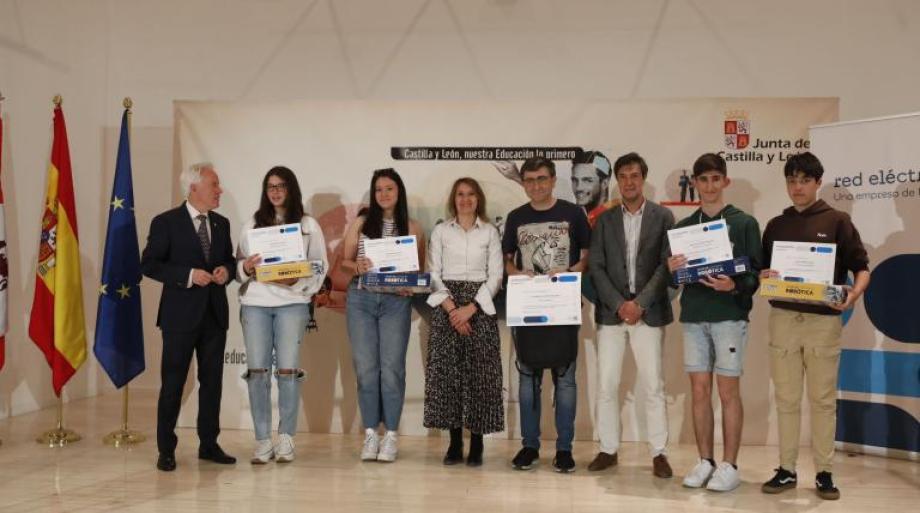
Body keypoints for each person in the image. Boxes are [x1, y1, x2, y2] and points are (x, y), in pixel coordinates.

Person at [759, 152, 870, 500]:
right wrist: (764, 276)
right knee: (787, 399)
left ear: (817, 182)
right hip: (784, 319)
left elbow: (862, 268)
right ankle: (787, 469)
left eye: (804, 180)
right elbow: (764, 272)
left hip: (823, 323)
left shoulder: (838, 221)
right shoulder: (776, 225)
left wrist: (852, 296)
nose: (797, 187)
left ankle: (824, 472)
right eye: (791, 181)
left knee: (822, 401)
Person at [667, 153, 761, 492]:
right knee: (699, 391)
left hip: (729, 318)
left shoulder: (743, 223)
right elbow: (673, 281)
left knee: (728, 391)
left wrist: (733, 284)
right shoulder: (681, 229)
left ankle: (729, 465)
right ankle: (705, 460)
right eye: (702, 180)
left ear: (725, 181)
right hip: (693, 317)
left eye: (714, 179)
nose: (708, 186)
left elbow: (755, 274)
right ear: (694, 183)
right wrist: (672, 271)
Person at [141, 162, 237, 472]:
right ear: (194, 188)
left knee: (212, 384)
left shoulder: (221, 223)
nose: (219, 190)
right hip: (179, 318)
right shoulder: (166, 222)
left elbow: (229, 261)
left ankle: (209, 444)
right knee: (173, 384)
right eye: (214, 185)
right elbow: (150, 264)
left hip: (213, 316)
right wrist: (188, 275)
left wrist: (227, 272)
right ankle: (166, 449)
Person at [588, 152, 675, 478]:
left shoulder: (663, 217)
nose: (628, 182)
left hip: (648, 313)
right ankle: (608, 449)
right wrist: (619, 304)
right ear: (617, 181)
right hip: (611, 316)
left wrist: (639, 304)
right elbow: (595, 265)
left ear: (643, 179)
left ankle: (659, 453)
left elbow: (666, 265)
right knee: (607, 385)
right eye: (623, 176)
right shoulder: (604, 220)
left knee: (653, 386)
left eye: (634, 176)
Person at [236, 166, 329, 464]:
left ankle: (286, 438)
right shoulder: (252, 222)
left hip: (292, 303)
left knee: (288, 372)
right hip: (256, 304)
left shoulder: (308, 224)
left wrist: (297, 282)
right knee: (257, 374)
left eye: (281, 186)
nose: (275, 192)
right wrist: (248, 268)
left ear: (291, 189)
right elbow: (239, 267)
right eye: (270, 186)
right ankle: (262, 440)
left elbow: (319, 265)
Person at [503, 157, 591, 473]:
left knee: (565, 380)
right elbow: (507, 262)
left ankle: (564, 449)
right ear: (523, 182)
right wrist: (518, 273)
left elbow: (586, 257)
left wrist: (567, 272)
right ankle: (529, 446)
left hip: (562, 305)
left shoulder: (572, 213)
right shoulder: (515, 217)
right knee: (528, 380)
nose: (536, 185)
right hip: (528, 308)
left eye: (542, 178)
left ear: (553, 179)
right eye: (529, 180)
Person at [342, 168, 425, 462]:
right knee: (366, 370)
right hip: (361, 300)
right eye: (378, 189)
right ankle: (369, 435)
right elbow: (344, 262)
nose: (384, 194)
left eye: (389, 188)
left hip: (395, 304)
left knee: (392, 370)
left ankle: (390, 435)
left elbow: (418, 273)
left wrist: (409, 285)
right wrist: (358, 266)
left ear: (398, 191)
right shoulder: (363, 223)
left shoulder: (413, 227)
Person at [424, 177, 505, 467]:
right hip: (447, 305)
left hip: (479, 305)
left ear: (478, 199)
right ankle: (455, 443)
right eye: (460, 194)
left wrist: (470, 309)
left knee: (480, 377)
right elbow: (433, 274)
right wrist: (452, 309)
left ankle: (478, 444)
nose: (465, 199)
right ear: (453, 199)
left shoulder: (490, 233)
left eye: (471, 194)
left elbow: (496, 276)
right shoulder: (441, 231)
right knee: (449, 378)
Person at [570, 150, 612, 218]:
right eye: (575, 180)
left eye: (587, 180)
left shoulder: (617, 219)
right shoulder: (570, 218)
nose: (578, 188)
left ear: (605, 183)